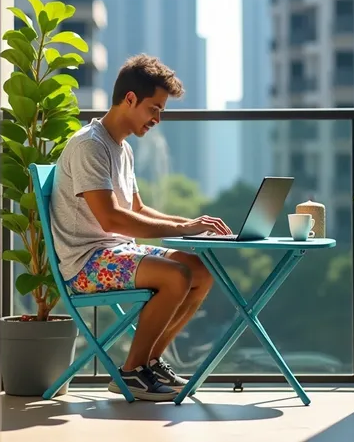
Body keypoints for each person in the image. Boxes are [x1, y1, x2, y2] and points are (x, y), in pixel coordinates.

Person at [50, 54, 232, 401]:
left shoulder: (123, 148)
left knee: (202, 271)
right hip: (87, 262)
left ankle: (149, 361)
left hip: (117, 253)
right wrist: (187, 229)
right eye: (154, 108)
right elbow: (113, 219)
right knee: (175, 276)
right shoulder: (90, 145)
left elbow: (138, 209)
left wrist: (193, 225)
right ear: (130, 99)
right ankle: (131, 372)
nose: (158, 119)